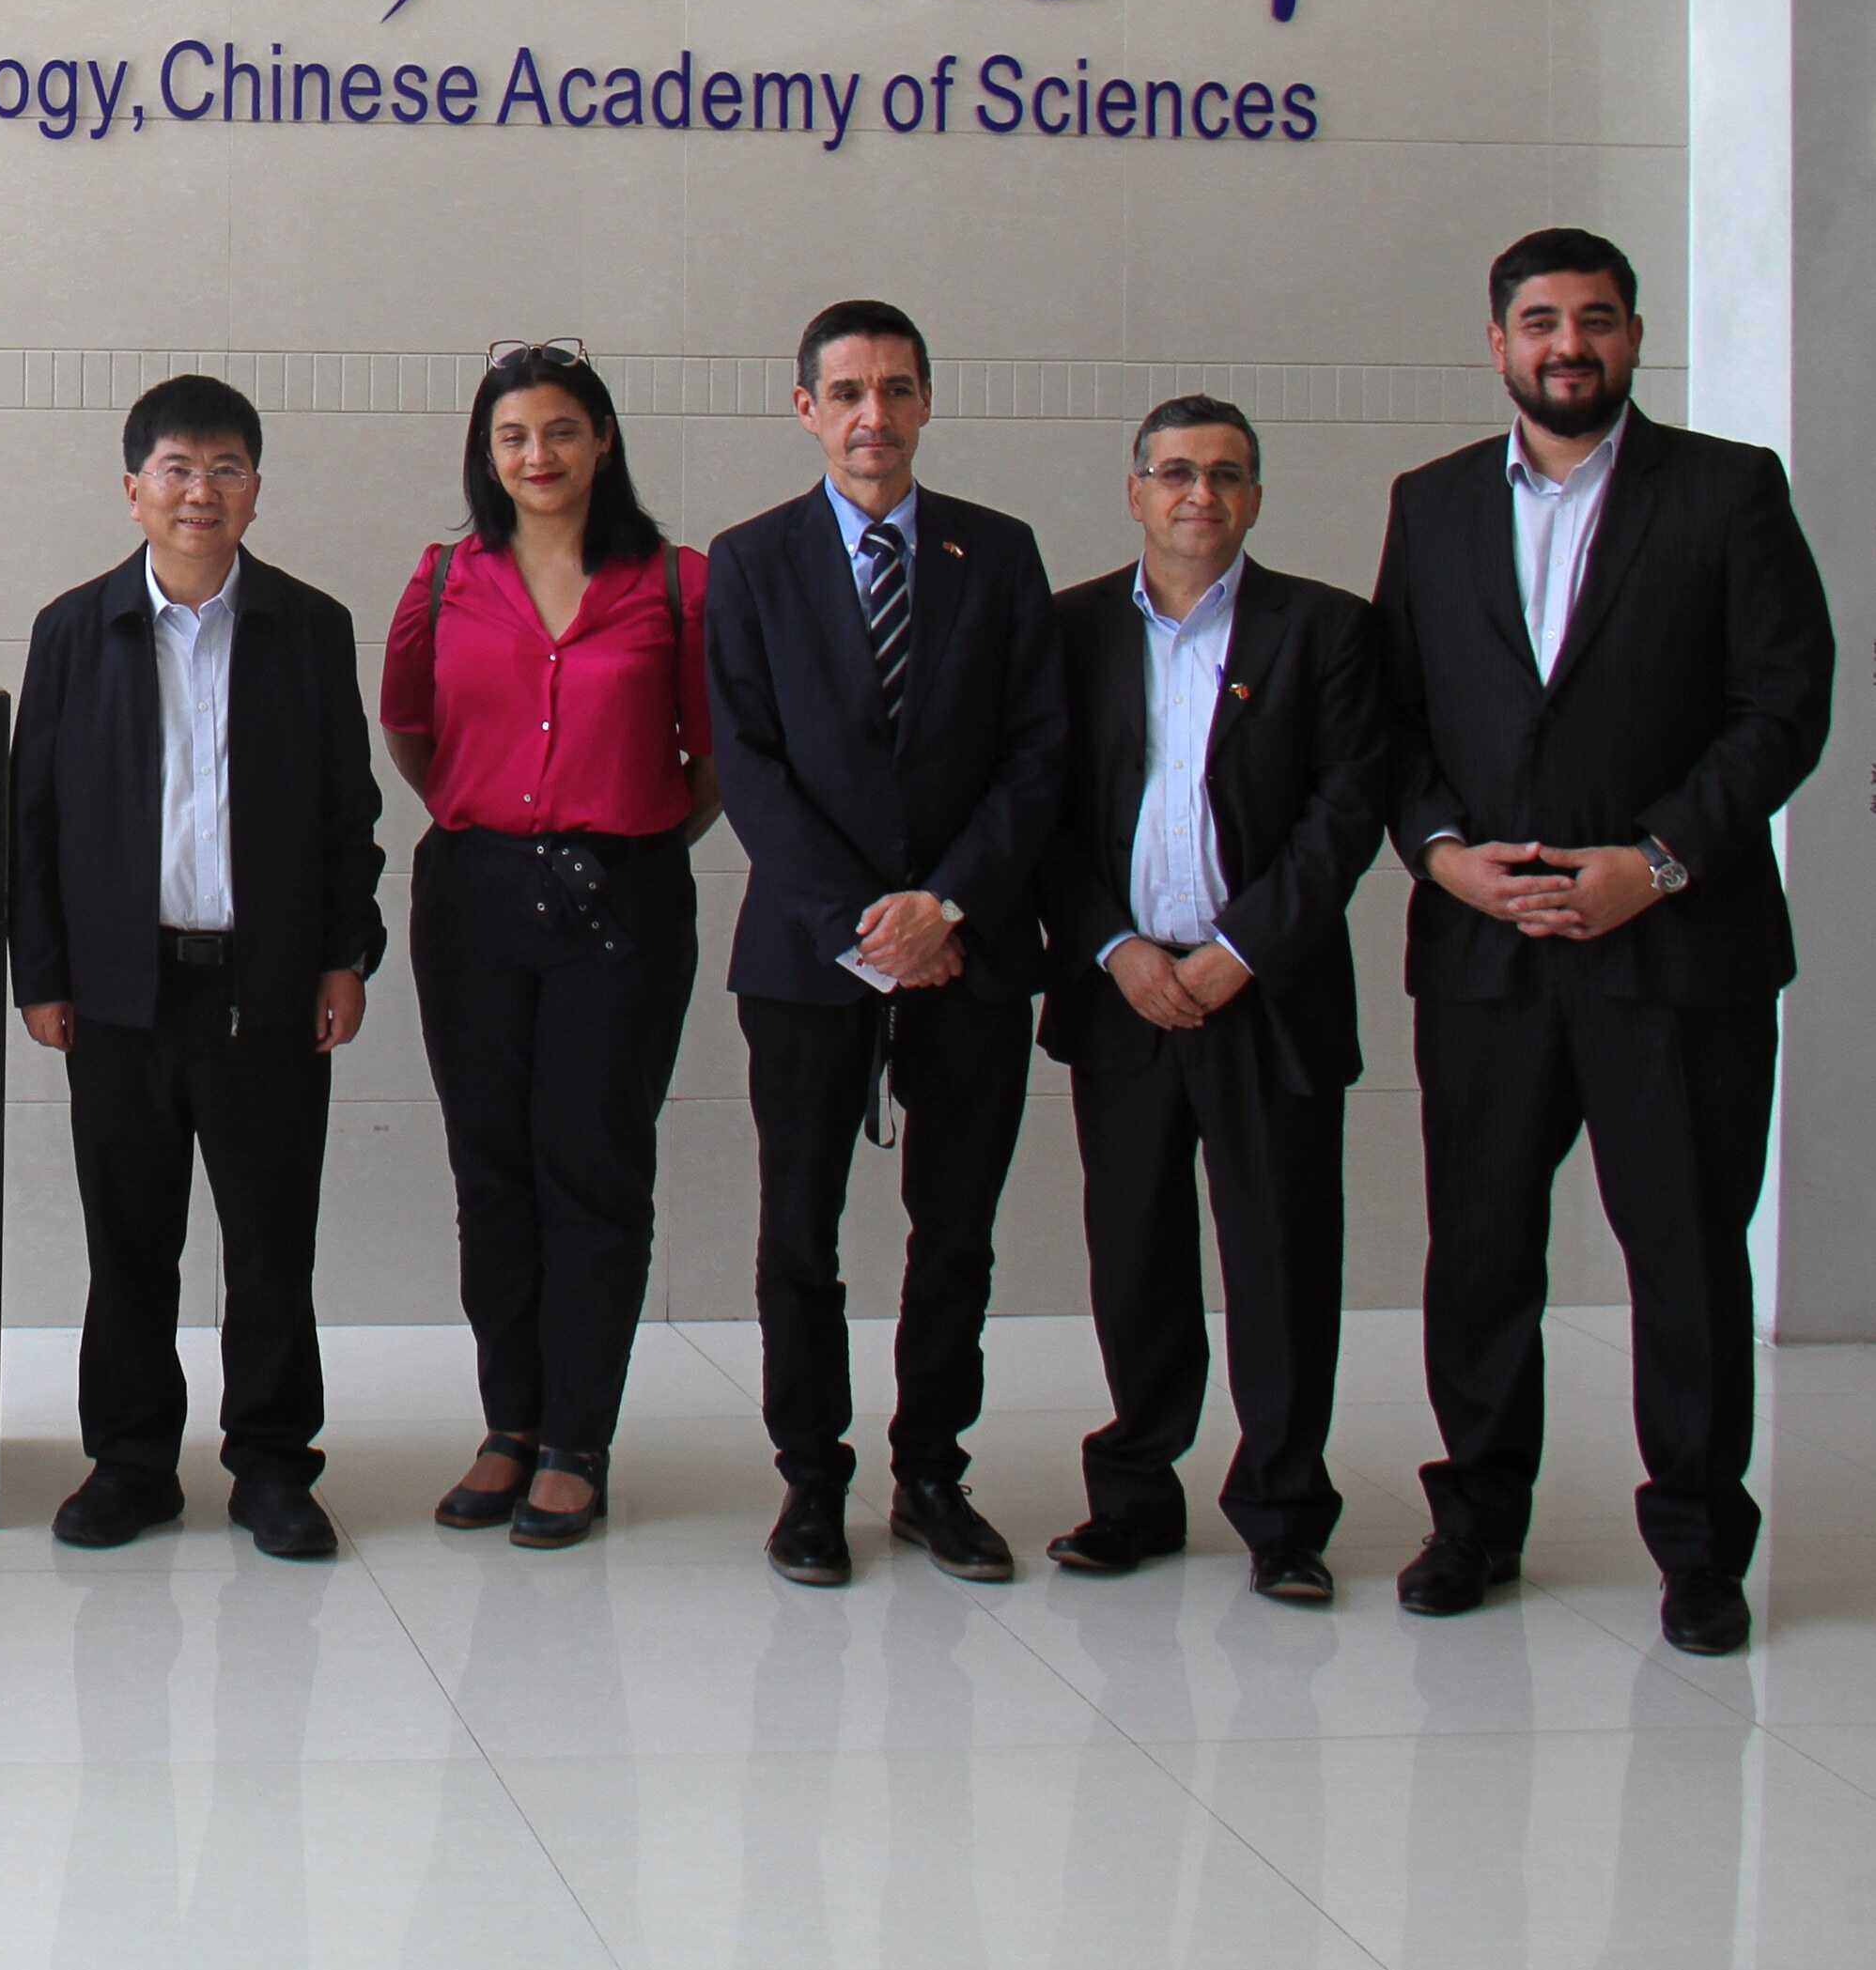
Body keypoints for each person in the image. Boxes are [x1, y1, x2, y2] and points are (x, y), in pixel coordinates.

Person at [1371, 228, 1832, 1655]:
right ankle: (1476, 1522)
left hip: (1675, 952)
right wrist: (1441, 855)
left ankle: (1698, 1548)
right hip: (1488, 951)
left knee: (1685, 1257)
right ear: (1496, 342)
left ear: (1633, 335)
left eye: (1595, 318)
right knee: (1480, 1256)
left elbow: (1784, 703)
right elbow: (1393, 713)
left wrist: (1659, 861)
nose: (1567, 344)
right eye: (1540, 320)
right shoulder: (1432, 503)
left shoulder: (1728, 490)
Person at [705, 299, 1064, 1588]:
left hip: (971, 949)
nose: (874, 415)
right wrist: (869, 928)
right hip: (808, 957)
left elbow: (1038, 751)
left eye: (897, 389)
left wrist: (944, 906)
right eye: (848, 392)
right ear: (806, 407)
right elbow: (746, 763)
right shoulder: (749, 561)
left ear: (925, 402)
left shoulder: (998, 553)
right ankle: (812, 1480)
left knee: (954, 1231)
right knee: (799, 1232)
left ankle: (932, 1474)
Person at [10, 376, 386, 1559]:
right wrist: (43, 975)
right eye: (176, 469)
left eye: (226, 469)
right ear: (133, 491)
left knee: (271, 1241)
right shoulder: (74, 630)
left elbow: (349, 811)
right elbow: (31, 819)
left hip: (266, 986)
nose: (200, 492)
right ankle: (131, 1462)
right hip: (120, 988)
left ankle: (273, 1465)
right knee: (130, 1242)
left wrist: (344, 955)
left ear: (256, 491)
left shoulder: (308, 628)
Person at [1037, 397, 1387, 1605]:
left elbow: (1346, 812)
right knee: (1135, 1255)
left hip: (1268, 995)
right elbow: (1040, 809)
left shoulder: (1328, 630)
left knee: (1281, 1260)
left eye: (1228, 474)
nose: (1202, 494)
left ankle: (1284, 1514)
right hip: (1123, 994)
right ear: (1134, 490)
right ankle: (1134, 1494)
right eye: (1177, 472)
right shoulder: (1068, 631)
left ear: (1256, 497)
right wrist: (1113, 947)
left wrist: (1243, 949)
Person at [381, 341, 716, 1551]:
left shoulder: (679, 582)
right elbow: (410, 728)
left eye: (562, 430)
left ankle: (578, 1436)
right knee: (493, 1171)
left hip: (621, 902)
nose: (539, 455)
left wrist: (623, 829)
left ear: (604, 440)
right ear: (486, 452)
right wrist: (492, 822)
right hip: (474, 898)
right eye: (514, 435)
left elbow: (714, 753)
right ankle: (509, 1423)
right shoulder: (443, 578)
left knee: (595, 1166)